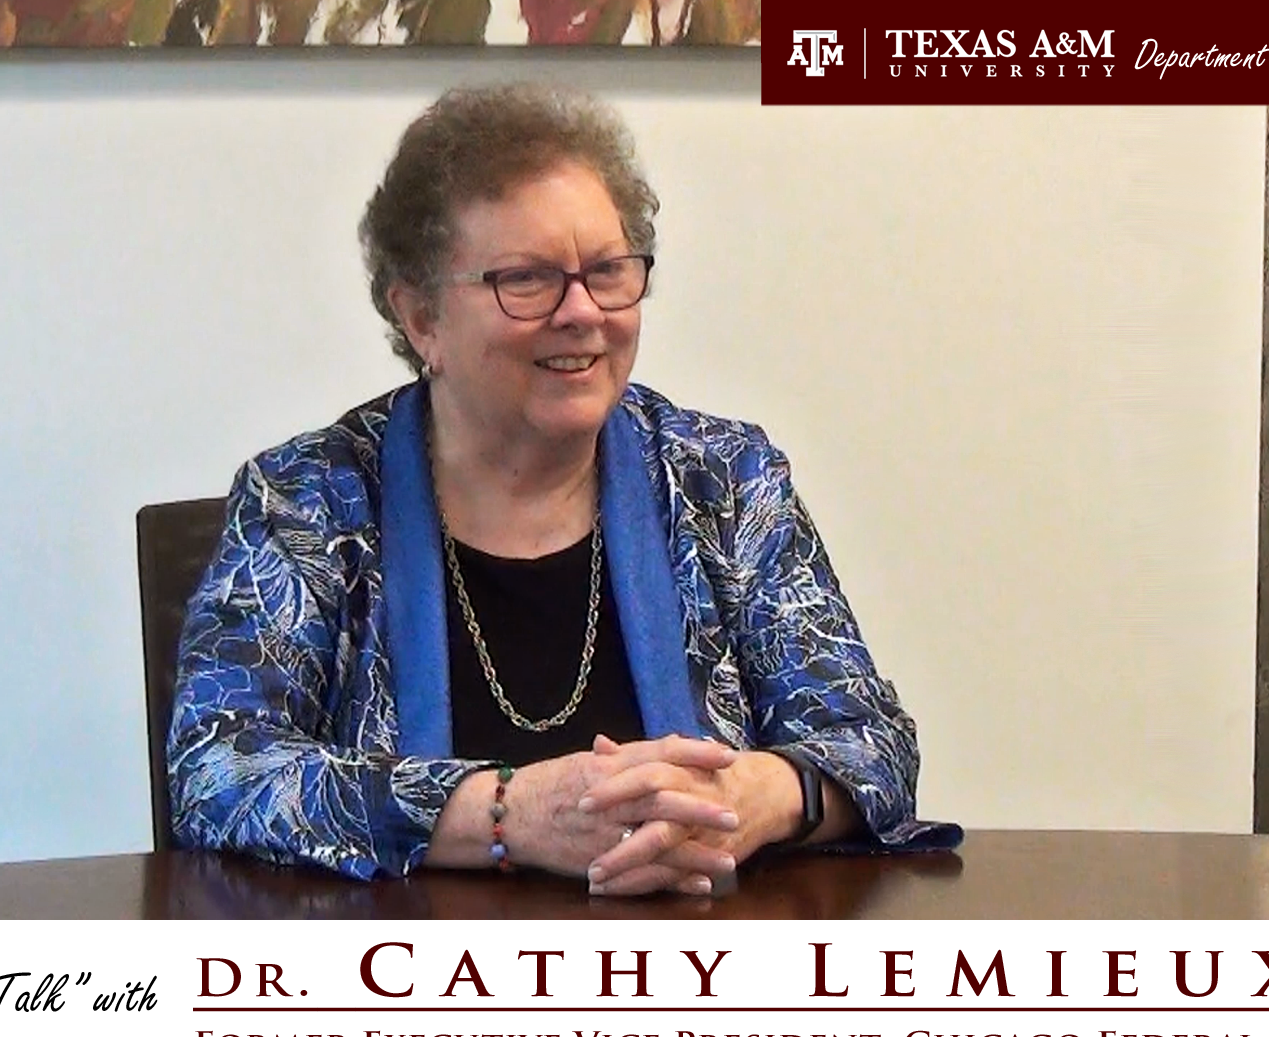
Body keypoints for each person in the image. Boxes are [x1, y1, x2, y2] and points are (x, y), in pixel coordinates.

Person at [168, 84, 959, 897]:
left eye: (608, 271)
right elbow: (218, 767)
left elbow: (871, 741)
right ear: (421, 318)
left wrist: (756, 797)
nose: (582, 312)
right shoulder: (305, 499)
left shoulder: (725, 479)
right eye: (528, 280)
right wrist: (504, 813)